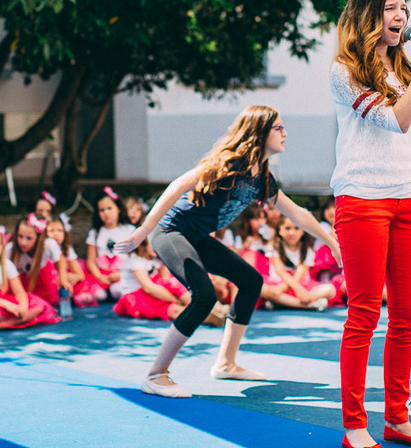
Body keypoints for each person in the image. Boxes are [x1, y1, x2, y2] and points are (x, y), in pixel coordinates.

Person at [116, 105, 340, 399]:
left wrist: (332, 242)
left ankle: (225, 363)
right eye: (279, 128)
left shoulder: (262, 179)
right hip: (171, 232)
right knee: (205, 296)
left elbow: (298, 213)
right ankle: (156, 374)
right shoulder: (231, 163)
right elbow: (179, 184)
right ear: (260, 133)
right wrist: (144, 230)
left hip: (196, 236)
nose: (286, 133)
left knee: (251, 281)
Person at [331, 0, 411, 448]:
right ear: (368, 14)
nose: (400, 16)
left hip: (405, 200)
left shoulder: (400, 68)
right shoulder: (345, 70)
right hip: (362, 199)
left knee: (407, 314)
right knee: (364, 313)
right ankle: (354, 425)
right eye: (389, 9)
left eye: (403, 8)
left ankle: (396, 418)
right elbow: (396, 119)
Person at [113, 236, 192, 322]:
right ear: (143, 244)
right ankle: (193, 308)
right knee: (174, 309)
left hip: (154, 294)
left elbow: (165, 279)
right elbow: (148, 288)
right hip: (137, 297)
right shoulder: (135, 260)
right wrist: (175, 300)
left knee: (172, 284)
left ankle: (195, 304)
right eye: (154, 244)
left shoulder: (156, 259)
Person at [84, 189, 135, 301]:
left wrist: (121, 274)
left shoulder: (129, 230)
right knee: (98, 295)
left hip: (123, 273)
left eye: (109, 208)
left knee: (118, 291)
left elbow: (135, 258)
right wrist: (99, 277)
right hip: (101, 274)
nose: (106, 213)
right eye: (101, 210)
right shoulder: (95, 232)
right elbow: (91, 261)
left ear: (119, 209)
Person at [7, 214, 63, 306]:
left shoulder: (48, 245)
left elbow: (60, 259)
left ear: (38, 238)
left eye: (29, 238)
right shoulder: (9, 249)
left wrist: (62, 278)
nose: (23, 242)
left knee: (46, 303)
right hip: (19, 284)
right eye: (20, 236)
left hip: (41, 283)